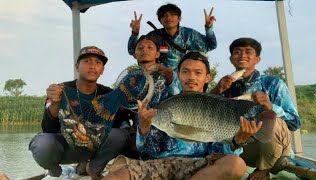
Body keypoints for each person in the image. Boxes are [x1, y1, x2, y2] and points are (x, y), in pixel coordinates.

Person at [103, 51, 263, 180]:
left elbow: (218, 153)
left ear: (207, 77)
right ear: (178, 75)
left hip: (201, 167)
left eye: (198, 72)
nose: (191, 77)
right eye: (185, 72)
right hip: (161, 165)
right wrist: (143, 131)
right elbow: (147, 153)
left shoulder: (218, 105)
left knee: (236, 164)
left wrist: (236, 141)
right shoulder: (163, 105)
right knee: (116, 176)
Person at [29, 46, 135, 180]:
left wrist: (126, 104)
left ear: (102, 70)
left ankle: (93, 168)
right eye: (87, 61)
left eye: (98, 63)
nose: (92, 66)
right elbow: (48, 129)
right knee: (43, 143)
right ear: (77, 66)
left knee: (121, 135)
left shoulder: (109, 94)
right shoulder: (59, 90)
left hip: (95, 147)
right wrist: (55, 103)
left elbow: (122, 125)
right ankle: (54, 172)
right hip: (66, 147)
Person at [211, 37, 302, 179]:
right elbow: (208, 117)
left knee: (271, 118)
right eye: (237, 52)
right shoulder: (225, 85)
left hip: (275, 150)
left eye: (248, 52)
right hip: (243, 148)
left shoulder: (273, 83)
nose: (242, 55)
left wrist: (271, 106)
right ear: (231, 59)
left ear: (257, 60)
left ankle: (263, 169)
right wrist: (216, 91)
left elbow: (294, 123)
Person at [128, 3, 217, 71]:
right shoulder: (154, 36)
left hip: (179, 79)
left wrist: (209, 27)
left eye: (172, 14)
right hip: (155, 76)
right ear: (160, 20)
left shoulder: (188, 34)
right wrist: (135, 33)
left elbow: (210, 45)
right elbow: (133, 51)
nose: (168, 17)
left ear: (179, 18)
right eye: (164, 15)